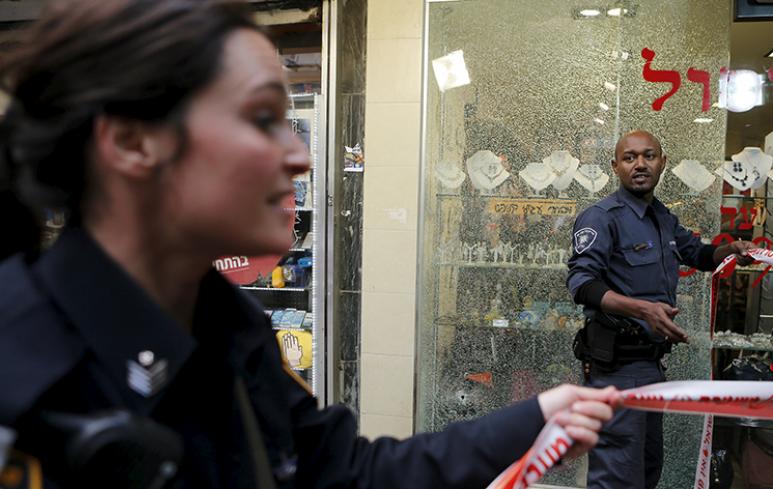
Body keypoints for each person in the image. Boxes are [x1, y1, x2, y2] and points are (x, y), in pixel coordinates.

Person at [0, 1, 620, 488]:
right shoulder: (22, 369)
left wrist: (535, 417)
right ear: (134, 143)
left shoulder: (228, 331)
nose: (298, 155)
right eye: (262, 117)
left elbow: (350, 475)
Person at [566, 130, 755, 489]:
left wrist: (728, 249)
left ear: (662, 163)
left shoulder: (662, 217)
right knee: (617, 477)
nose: (640, 164)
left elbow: (697, 254)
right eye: (629, 157)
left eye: (648, 156)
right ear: (615, 166)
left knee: (647, 469)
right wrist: (642, 310)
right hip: (615, 371)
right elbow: (581, 285)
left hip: (650, 366)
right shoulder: (601, 217)